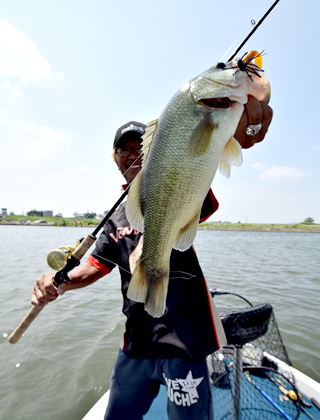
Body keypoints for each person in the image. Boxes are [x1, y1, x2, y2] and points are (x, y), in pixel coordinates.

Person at [32, 96, 272, 420]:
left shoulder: (179, 184)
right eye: (124, 149)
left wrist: (237, 127)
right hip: (136, 344)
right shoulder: (116, 217)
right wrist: (57, 284)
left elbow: (203, 161)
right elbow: (93, 266)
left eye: (139, 147)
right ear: (115, 158)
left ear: (153, 152)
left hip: (183, 344)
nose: (133, 154)